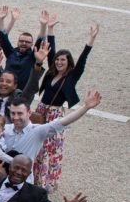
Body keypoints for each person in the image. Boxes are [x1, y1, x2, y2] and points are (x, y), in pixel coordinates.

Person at [32, 24, 97, 193]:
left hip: (55, 114)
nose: (59, 62)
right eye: (58, 59)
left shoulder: (72, 76)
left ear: (69, 63)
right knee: (37, 145)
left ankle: (48, 182)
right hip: (41, 111)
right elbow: (51, 52)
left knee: (52, 148)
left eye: (63, 60)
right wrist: (51, 30)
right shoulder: (52, 73)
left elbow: (83, 59)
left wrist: (91, 39)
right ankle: (36, 177)